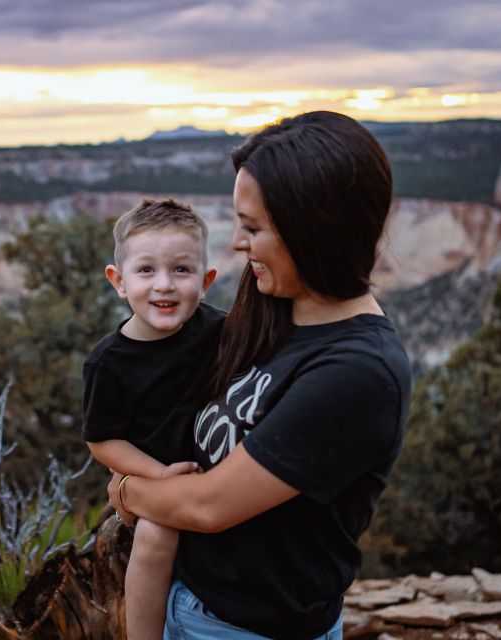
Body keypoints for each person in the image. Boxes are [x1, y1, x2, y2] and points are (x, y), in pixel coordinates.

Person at [107, 111, 412, 640]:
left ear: (311, 231)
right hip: (184, 598)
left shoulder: (357, 375)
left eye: (252, 228)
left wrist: (128, 492)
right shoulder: (274, 301)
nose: (237, 245)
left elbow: (209, 506)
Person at [82, 198, 224, 640]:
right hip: (159, 483)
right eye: (146, 271)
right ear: (118, 281)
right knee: (157, 536)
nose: (164, 285)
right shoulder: (109, 362)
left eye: (181, 270)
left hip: (222, 478)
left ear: (206, 281)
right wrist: (158, 475)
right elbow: (103, 441)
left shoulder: (224, 332)